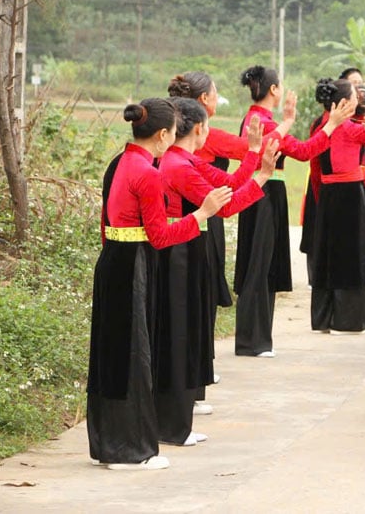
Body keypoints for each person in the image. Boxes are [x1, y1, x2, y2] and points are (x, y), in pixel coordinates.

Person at [87, 98, 232, 471]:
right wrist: (202, 214)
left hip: (112, 262)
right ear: (165, 134)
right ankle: (131, 450)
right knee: (135, 356)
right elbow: (160, 236)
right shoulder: (147, 173)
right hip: (134, 263)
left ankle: (111, 444)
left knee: (113, 356)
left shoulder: (121, 162)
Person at [155, 98, 280, 447]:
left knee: (191, 330)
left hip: (189, 248)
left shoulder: (186, 159)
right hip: (178, 252)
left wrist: (253, 155)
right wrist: (264, 176)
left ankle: (179, 418)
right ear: (199, 128)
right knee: (180, 334)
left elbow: (228, 181)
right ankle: (174, 425)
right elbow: (226, 205)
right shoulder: (179, 165)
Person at [168, 71, 296, 398]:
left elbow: (236, 173)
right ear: (202, 103)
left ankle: (201, 365)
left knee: (202, 296)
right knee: (197, 297)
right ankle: (193, 374)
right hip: (199, 218)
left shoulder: (187, 145)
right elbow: (255, 154)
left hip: (206, 210)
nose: (217, 97)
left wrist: (259, 158)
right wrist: (286, 125)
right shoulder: (198, 141)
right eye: (214, 93)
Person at [233, 65, 354, 357]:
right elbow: (302, 151)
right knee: (259, 267)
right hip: (262, 193)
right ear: (274, 89)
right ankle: (252, 341)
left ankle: (256, 338)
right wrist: (330, 125)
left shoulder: (260, 118)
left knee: (264, 266)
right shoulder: (260, 120)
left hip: (267, 193)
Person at [309, 79, 365, 333]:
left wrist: (318, 195)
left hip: (326, 192)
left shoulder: (319, 125)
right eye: (356, 96)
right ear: (345, 102)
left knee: (326, 255)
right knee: (350, 255)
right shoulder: (350, 128)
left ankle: (323, 318)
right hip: (348, 195)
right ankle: (347, 320)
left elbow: (314, 167)